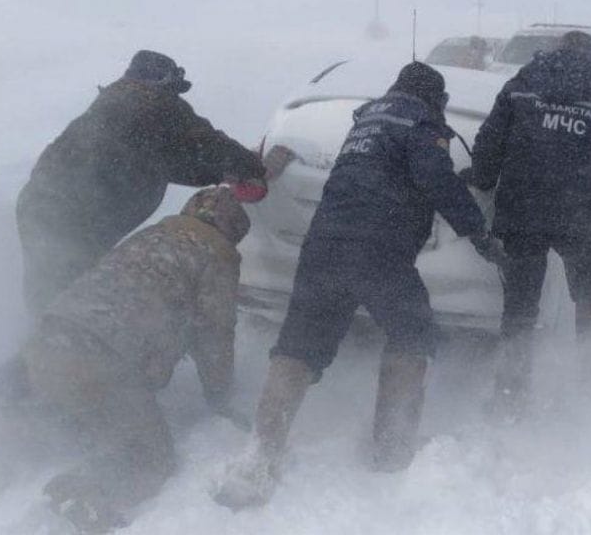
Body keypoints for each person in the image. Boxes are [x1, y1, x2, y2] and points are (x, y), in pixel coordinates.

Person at [214, 62, 501, 509]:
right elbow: (436, 180)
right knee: (412, 333)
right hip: (381, 249)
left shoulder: (365, 124)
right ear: (435, 99)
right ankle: (391, 447)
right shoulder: (421, 125)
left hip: (323, 246)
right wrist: (479, 234)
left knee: (298, 346)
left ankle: (259, 455)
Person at [22, 187, 251, 532]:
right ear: (232, 230)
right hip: (98, 360)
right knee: (151, 458)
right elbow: (215, 335)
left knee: (83, 412)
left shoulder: (152, 234)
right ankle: (84, 494)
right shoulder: (217, 254)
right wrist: (221, 397)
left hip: (46, 341)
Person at [16, 50, 266, 316]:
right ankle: (59, 350)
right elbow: (208, 145)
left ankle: (37, 346)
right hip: (72, 219)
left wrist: (225, 172)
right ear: (163, 83)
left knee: (49, 295)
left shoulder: (118, 105)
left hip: (37, 205)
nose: (177, 98)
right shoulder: (155, 104)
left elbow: (170, 162)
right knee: (74, 304)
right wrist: (250, 166)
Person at [465, 31, 591, 415]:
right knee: (590, 294)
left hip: (522, 210)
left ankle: (511, 392)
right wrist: (586, 180)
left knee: (521, 305)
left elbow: (490, 143)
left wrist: (482, 178)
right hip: (577, 215)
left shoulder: (522, 86)